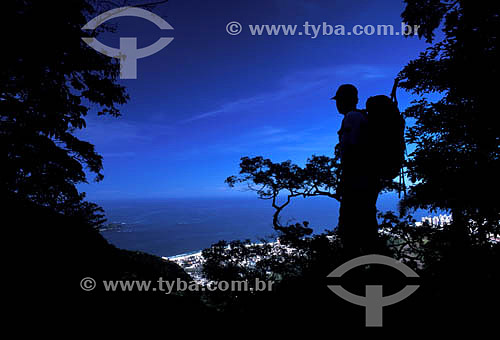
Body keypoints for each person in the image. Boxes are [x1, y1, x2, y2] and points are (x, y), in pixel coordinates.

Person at [332, 84, 380, 256]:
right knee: (367, 227)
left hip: (357, 184)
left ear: (347, 100)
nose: (337, 104)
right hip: (367, 182)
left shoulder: (351, 117)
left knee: (350, 232)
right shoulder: (362, 117)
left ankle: (354, 275)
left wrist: (344, 181)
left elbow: (352, 151)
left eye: (339, 100)